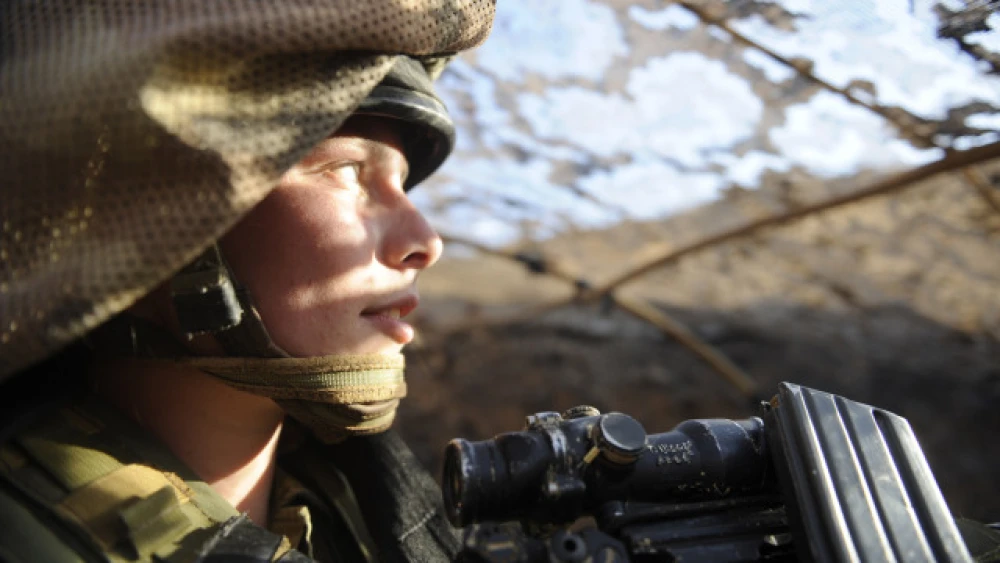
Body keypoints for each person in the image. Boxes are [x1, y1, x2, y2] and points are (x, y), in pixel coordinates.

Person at [0, 1, 495, 561]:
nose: (425, 242)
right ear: (156, 218)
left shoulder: (366, 516)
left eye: (403, 183)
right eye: (347, 170)